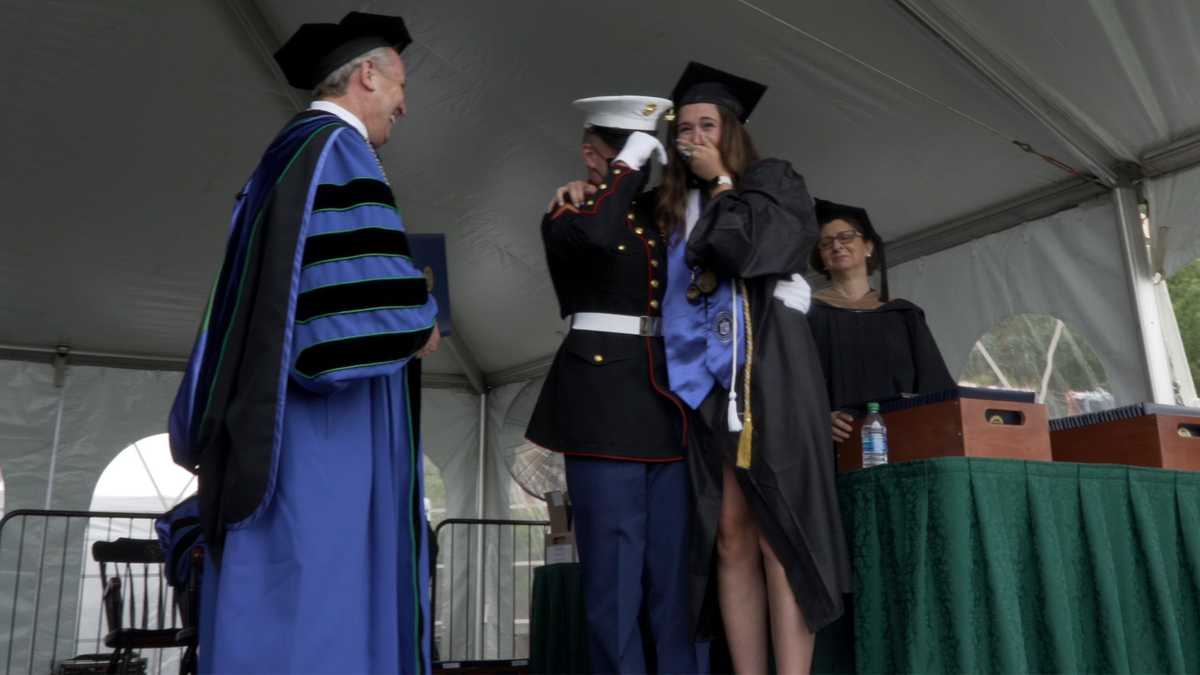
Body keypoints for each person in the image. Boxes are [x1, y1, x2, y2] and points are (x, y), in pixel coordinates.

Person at [167, 12, 440, 674]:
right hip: (325, 428)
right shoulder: (338, 152)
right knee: (325, 579)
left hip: (275, 417)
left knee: (281, 581)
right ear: (367, 76)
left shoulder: (286, 156)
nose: (405, 103)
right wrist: (421, 315)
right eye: (400, 83)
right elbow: (347, 312)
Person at [657, 62, 851, 675]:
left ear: (732, 130)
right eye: (684, 128)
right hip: (703, 386)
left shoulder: (773, 182)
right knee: (731, 532)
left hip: (767, 374)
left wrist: (720, 186)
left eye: (707, 125)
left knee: (778, 531)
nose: (695, 138)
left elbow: (744, 251)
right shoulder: (666, 207)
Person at [526, 95, 707, 674]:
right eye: (629, 148)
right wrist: (623, 170)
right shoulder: (570, 213)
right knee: (615, 578)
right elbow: (601, 237)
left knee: (674, 574)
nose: (644, 164)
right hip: (601, 403)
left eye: (648, 152)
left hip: (664, 400)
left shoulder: (656, 214)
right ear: (593, 151)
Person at [807, 200, 955, 443]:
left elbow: (934, 384)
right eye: (826, 242)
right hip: (833, 444)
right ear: (821, 257)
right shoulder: (808, 316)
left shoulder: (903, 314)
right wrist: (819, 417)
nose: (836, 245)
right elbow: (792, 384)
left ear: (868, 247)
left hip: (902, 439)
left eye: (846, 237)